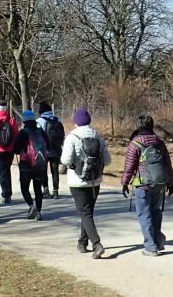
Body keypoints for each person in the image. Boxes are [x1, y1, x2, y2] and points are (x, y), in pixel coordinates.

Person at [121, 114, 173, 256]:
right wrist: (170, 182)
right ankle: (158, 241)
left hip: (142, 185)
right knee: (156, 212)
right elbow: (167, 163)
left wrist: (125, 183)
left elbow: (129, 166)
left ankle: (150, 246)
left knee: (144, 214)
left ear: (138, 126)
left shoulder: (135, 143)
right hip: (159, 184)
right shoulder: (159, 142)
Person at [61, 108, 111, 259]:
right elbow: (107, 160)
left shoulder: (72, 137)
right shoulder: (97, 136)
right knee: (88, 212)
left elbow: (65, 160)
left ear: (75, 121)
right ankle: (82, 243)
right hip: (95, 180)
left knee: (85, 213)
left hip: (77, 181)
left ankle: (97, 244)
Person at [14, 109, 50, 220]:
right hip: (39, 164)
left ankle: (31, 205)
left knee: (24, 188)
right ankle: (38, 211)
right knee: (37, 189)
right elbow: (48, 146)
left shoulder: (23, 133)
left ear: (24, 121)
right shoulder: (41, 132)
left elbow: (16, 149)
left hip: (26, 164)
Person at [37, 101, 66, 198]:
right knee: (55, 170)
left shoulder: (39, 121)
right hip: (56, 149)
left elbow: (37, 136)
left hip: (44, 150)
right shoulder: (58, 120)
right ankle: (55, 191)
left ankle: (46, 190)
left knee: (43, 170)